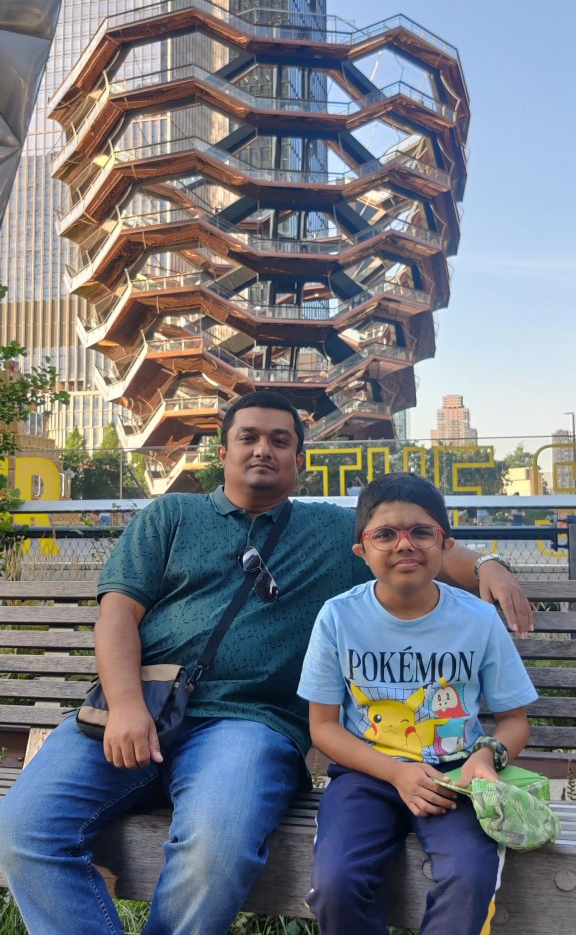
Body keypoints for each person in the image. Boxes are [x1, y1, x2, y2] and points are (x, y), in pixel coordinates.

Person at [0, 393, 532, 935]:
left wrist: (487, 564)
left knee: (216, 848)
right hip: (139, 706)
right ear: (222, 452)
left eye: (280, 441)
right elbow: (117, 614)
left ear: (298, 460)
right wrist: (125, 705)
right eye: (248, 437)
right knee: (24, 831)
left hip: (248, 724)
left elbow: (411, 537)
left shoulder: (330, 533)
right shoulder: (171, 515)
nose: (263, 450)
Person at [297, 473, 537, 935]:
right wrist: (396, 773)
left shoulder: (478, 619)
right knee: (335, 883)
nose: (404, 544)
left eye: (421, 532)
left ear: (446, 544)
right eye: (385, 534)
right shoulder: (338, 617)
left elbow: (514, 721)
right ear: (361, 550)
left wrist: (485, 757)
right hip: (366, 776)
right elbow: (323, 727)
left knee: (469, 877)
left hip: (457, 778)